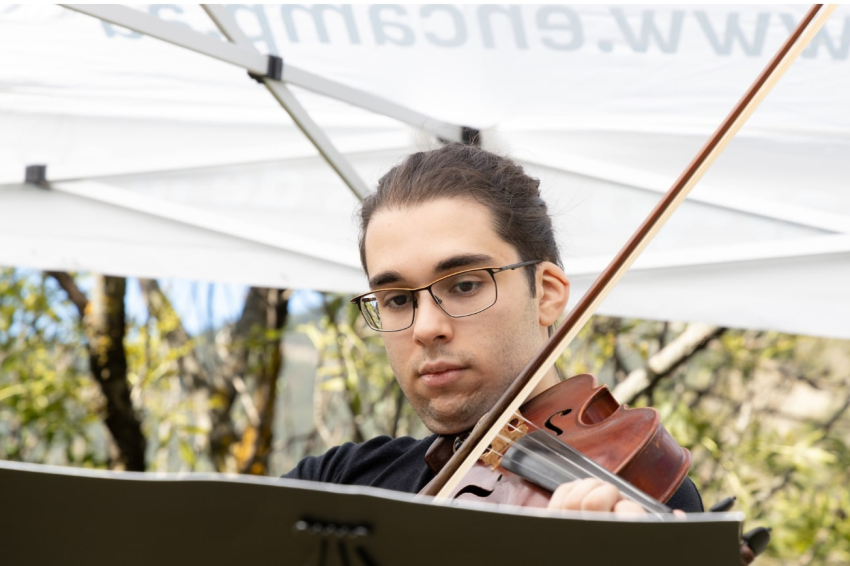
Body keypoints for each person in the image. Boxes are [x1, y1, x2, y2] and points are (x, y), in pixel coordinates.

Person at [284, 143, 703, 514]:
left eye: (465, 285)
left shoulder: (627, 491)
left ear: (546, 293)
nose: (427, 328)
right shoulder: (334, 482)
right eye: (397, 299)